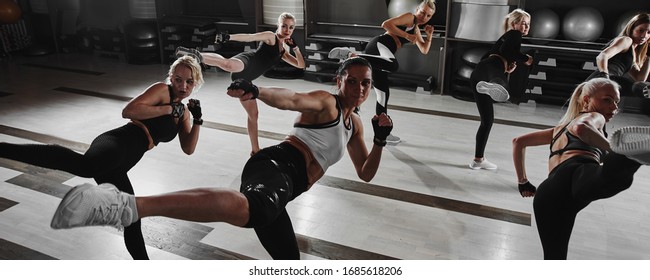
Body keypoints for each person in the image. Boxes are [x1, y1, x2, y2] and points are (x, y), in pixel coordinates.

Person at [50, 57, 394, 260]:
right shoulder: (327, 102)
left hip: (287, 187)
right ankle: (130, 207)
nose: (360, 88)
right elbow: (291, 98)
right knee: (253, 208)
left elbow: (365, 172)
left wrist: (379, 141)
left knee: (290, 261)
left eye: (366, 84)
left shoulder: (356, 126)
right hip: (277, 167)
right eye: (353, 81)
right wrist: (258, 91)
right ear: (339, 80)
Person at [0, 55, 205, 259]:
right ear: (171, 77)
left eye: (189, 82)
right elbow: (129, 111)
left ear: (195, 83)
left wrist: (197, 120)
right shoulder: (162, 91)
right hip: (117, 142)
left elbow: (188, 148)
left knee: (132, 217)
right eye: (178, 79)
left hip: (121, 163)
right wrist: (169, 108)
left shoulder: (184, 113)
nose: (183, 86)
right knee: (86, 167)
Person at [512, 77, 650, 259]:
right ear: (586, 100)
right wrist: (612, 148)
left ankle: (631, 155)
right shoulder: (595, 116)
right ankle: (629, 154)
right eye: (607, 100)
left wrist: (523, 182)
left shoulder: (558, 129)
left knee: (554, 258)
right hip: (575, 174)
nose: (614, 108)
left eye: (616, 102)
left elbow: (518, 142)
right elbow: (581, 128)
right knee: (615, 176)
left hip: (549, 194)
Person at [176, 12, 306, 156]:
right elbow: (250, 37)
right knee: (228, 64)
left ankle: (255, 150)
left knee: (254, 115)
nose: (287, 30)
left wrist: (295, 48)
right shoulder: (271, 37)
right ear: (278, 26)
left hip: (245, 80)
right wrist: (228, 37)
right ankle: (197, 55)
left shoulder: (283, 52)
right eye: (284, 26)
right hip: (246, 62)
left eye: (291, 28)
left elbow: (300, 65)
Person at [328, 0, 436, 144]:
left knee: (383, 95)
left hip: (380, 57)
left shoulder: (415, 28)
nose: (424, 17)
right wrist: (406, 36)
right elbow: (386, 24)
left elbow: (424, 49)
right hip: (380, 45)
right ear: (417, 9)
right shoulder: (410, 17)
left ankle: (383, 132)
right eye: (422, 12)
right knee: (393, 65)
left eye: (428, 16)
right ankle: (351, 55)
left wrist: (429, 36)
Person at [469, 8, 534, 170]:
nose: (525, 27)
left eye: (528, 24)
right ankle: (494, 84)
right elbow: (507, 51)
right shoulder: (514, 34)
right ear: (514, 24)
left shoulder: (503, 38)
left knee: (487, 121)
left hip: (479, 73)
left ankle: (478, 160)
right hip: (491, 69)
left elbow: (487, 58)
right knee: (502, 86)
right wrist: (526, 58)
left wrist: (506, 67)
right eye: (522, 23)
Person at [587, 13, 649, 99]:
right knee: (640, 89)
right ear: (631, 29)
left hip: (611, 82)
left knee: (639, 88)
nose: (644, 36)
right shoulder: (626, 40)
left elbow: (639, 79)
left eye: (649, 32)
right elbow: (602, 56)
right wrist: (604, 76)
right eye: (640, 30)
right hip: (603, 80)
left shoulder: (633, 52)